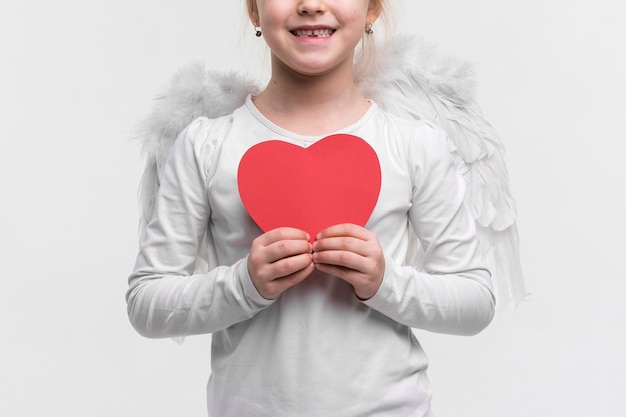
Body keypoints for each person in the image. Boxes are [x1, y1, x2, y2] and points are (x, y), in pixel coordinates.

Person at [126, 0, 499, 415]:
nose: (311, 5)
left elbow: (476, 301)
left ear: (371, 10)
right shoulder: (206, 145)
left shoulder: (414, 145)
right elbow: (146, 303)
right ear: (255, 11)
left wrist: (384, 282)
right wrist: (244, 284)